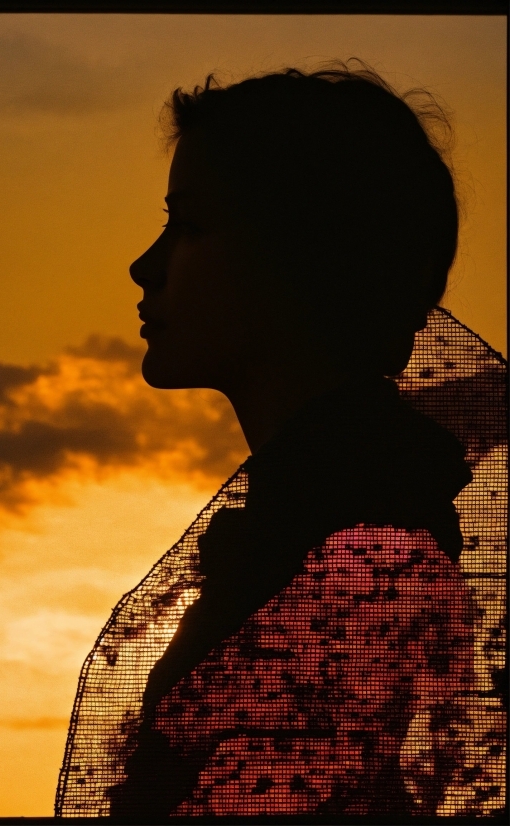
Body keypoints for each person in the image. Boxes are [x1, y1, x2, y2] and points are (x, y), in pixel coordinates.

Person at [56, 62, 505, 820]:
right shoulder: (322, 510)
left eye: (190, 225)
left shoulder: (350, 544)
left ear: (299, 257)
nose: (145, 267)